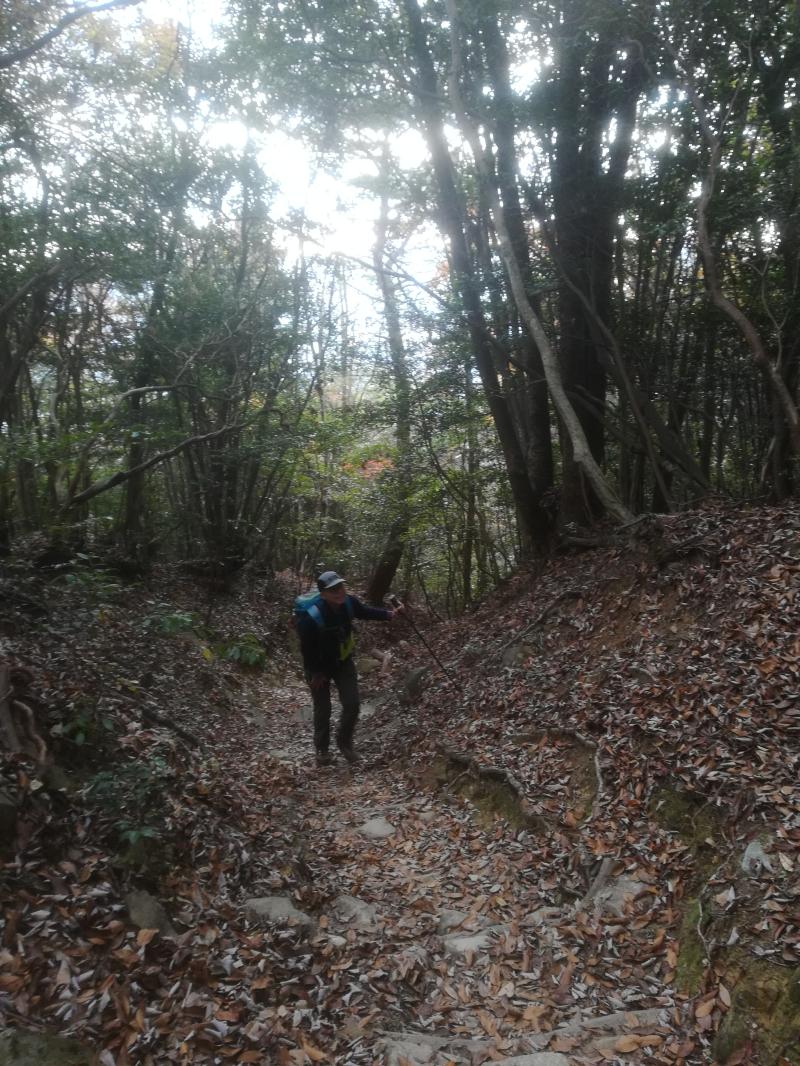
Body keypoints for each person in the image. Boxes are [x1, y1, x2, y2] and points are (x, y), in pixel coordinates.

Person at [297, 570, 401, 766]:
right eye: (333, 590)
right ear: (323, 594)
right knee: (323, 708)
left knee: (352, 704)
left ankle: (344, 743)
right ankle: (322, 750)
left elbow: (365, 612)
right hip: (318, 668)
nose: (339, 592)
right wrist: (316, 673)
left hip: (343, 662)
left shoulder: (349, 603)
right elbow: (306, 649)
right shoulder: (311, 618)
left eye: (340, 586)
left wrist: (389, 615)